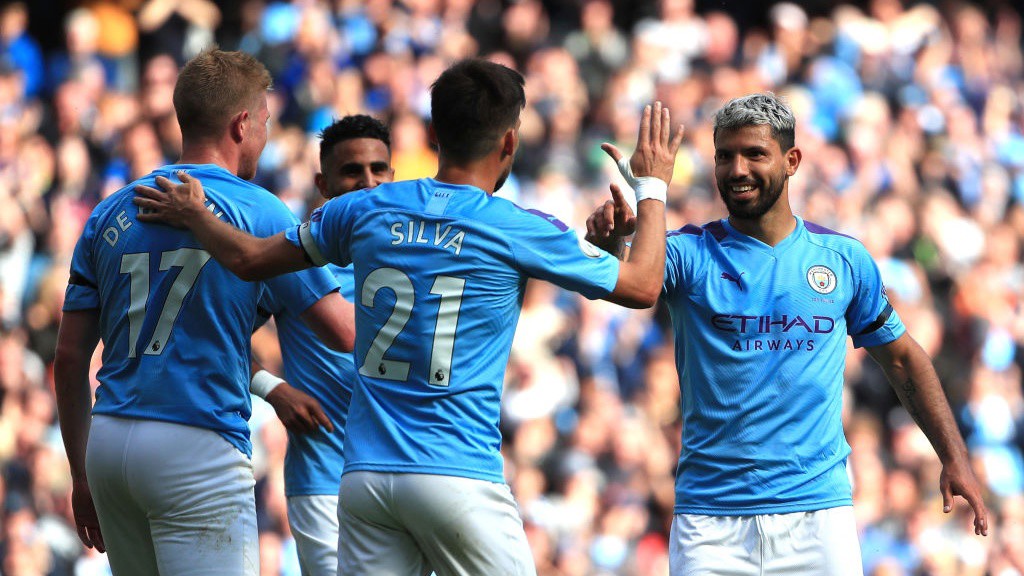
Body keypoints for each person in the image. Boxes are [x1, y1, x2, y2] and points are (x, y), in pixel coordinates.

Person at [132, 58, 684, 576]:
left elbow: (248, 259)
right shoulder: (519, 226)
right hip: (456, 473)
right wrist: (653, 185)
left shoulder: (362, 209)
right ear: (510, 141)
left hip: (365, 481)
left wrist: (196, 214)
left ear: (433, 134)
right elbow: (642, 286)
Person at [583, 92, 988, 575]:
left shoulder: (842, 259)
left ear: (792, 160)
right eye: (724, 155)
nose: (737, 170)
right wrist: (608, 249)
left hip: (818, 517)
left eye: (754, 153)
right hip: (710, 522)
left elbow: (902, 358)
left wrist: (954, 456)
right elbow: (633, 284)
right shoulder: (688, 253)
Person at [53, 49, 354, 576]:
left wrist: (80, 475)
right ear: (242, 124)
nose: (265, 132)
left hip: (110, 442)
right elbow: (343, 332)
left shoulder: (111, 209)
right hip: (197, 444)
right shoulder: (259, 210)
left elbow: (71, 357)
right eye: (264, 120)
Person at [252, 114, 394, 576]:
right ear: (323, 181)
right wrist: (271, 387)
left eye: (378, 169)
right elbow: (216, 336)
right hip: (323, 479)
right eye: (352, 171)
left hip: (407, 473)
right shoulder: (291, 257)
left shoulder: (416, 253)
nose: (367, 183)